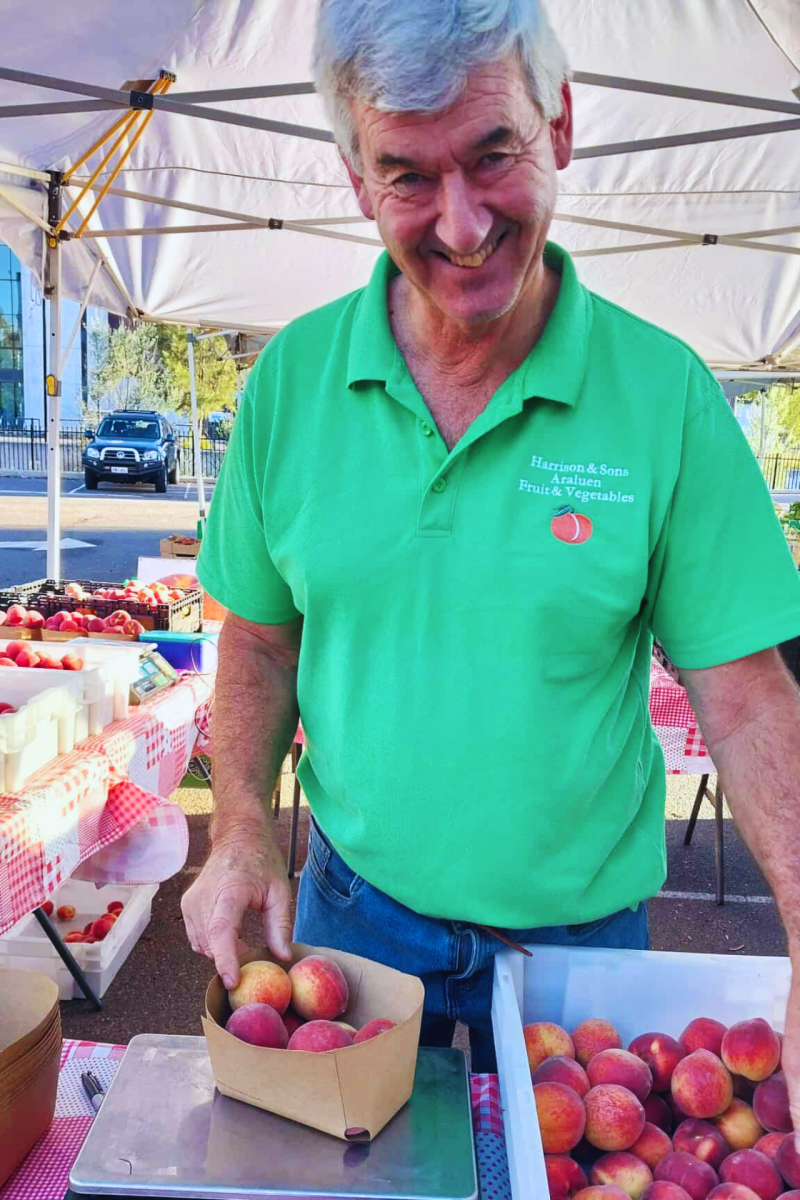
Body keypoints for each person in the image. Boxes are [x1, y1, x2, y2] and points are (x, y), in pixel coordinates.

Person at [182, 0, 800, 1101]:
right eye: (408, 175)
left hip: (579, 954)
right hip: (354, 931)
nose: (460, 225)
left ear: (556, 126)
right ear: (357, 177)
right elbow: (262, 644)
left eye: (491, 154)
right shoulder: (290, 383)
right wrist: (237, 828)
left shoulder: (663, 399)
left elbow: (748, 700)